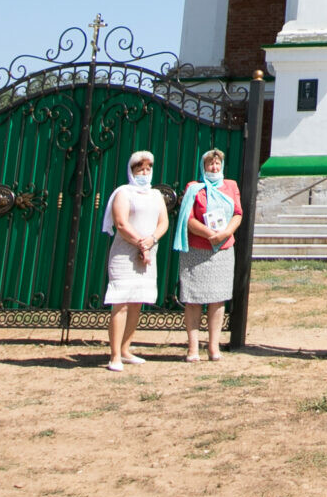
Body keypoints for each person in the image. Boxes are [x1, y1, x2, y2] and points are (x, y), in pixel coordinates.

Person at [175, 147, 243, 362]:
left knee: (217, 299)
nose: (214, 167)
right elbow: (188, 218)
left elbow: (238, 213)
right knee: (193, 299)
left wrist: (225, 233)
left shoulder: (230, 186)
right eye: (210, 164)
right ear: (203, 166)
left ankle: (214, 347)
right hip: (197, 249)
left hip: (222, 250)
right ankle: (193, 348)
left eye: (217, 164)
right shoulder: (194, 188)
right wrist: (208, 233)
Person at [101, 149, 167, 373]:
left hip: (148, 252)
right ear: (132, 171)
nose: (145, 172)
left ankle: (127, 349)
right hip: (125, 253)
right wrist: (141, 242)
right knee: (121, 302)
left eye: (148, 168)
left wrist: (151, 240)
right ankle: (115, 355)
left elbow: (163, 222)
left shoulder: (156, 195)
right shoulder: (124, 192)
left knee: (137, 301)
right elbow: (121, 223)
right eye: (140, 168)